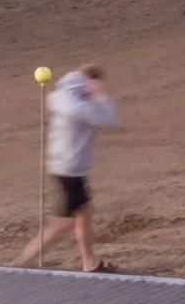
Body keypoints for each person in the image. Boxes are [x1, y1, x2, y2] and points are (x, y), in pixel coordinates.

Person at [18, 63, 119, 272]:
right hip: (68, 170)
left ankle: (89, 262)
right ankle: (17, 266)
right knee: (61, 225)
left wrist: (94, 98)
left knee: (84, 213)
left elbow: (106, 118)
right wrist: (98, 98)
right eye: (98, 83)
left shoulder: (70, 97)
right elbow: (104, 118)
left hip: (71, 168)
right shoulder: (70, 99)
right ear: (89, 81)